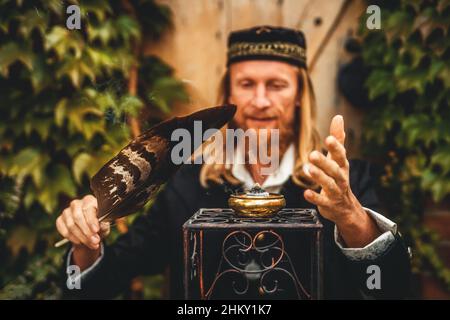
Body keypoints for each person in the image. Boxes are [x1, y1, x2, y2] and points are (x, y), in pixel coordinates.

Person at [57, 26, 411, 299]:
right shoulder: (186, 187)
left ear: (301, 95)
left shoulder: (346, 183)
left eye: (276, 85)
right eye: (247, 84)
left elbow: (390, 288)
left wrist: (351, 217)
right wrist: (85, 246)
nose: (260, 100)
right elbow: (93, 288)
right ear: (229, 93)